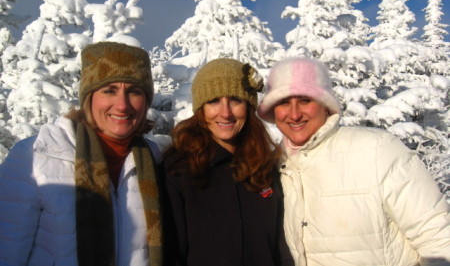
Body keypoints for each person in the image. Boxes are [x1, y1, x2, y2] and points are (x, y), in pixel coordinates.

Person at [256, 56, 450, 266]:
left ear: (325, 105)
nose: (294, 114)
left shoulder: (377, 150)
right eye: (284, 102)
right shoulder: (272, 168)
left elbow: (437, 237)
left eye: (305, 100)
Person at [0, 41, 163, 266]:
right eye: (109, 90)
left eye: (134, 91)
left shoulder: (153, 158)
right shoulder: (37, 156)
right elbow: (7, 254)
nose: (122, 105)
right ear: (89, 97)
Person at [163, 58, 294, 266]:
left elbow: (282, 249)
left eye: (235, 100)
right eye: (214, 101)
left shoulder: (265, 168)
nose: (225, 112)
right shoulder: (179, 171)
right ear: (201, 109)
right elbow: (170, 254)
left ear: (248, 106)